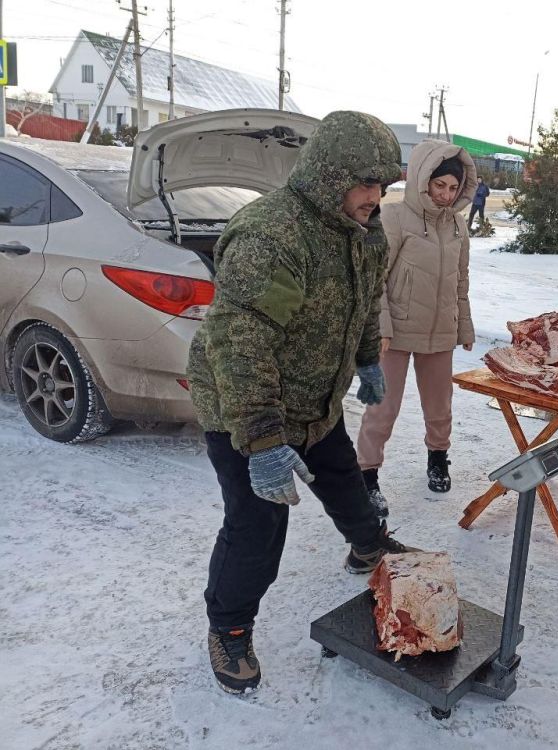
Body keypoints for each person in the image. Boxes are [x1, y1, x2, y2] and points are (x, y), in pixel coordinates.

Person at [186, 111, 414, 696]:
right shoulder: (273, 238)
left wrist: (366, 359)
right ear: (330, 176)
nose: (376, 197)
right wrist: (263, 443)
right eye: (367, 184)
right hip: (245, 410)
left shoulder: (362, 232)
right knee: (259, 522)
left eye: (383, 186)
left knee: (342, 477)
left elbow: (365, 304)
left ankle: (368, 545)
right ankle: (229, 625)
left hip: (314, 399)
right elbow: (242, 342)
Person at [355, 140, 476, 516]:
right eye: (439, 185)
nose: (446, 194)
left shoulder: (457, 224)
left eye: (453, 188)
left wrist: (464, 325)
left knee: (440, 407)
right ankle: (367, 476)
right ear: (423, 180)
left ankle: (438, 458)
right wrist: (382, 327)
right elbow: (375, 279)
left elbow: (460, 279)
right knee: (382, 408)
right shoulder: (393, 217)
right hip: (395, 334)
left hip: (440, 330)